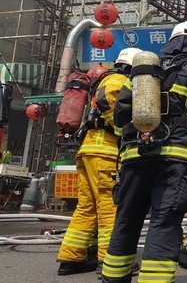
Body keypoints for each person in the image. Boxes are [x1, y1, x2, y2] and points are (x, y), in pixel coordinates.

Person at [101, 21, 187, 283]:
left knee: (126, 220)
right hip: (174, 160)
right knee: (164, 222)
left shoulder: (142, 71)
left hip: (134, 158)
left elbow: (119, 115)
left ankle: (113, 279)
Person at [57, 48, 141, 276]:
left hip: (89, 150)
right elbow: (107, 101)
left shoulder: (104, 79)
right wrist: (124, 129)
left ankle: (71, 259)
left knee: (87, 206)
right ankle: (108, 259)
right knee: (109, 205)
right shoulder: (118, 79)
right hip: (104, 153)